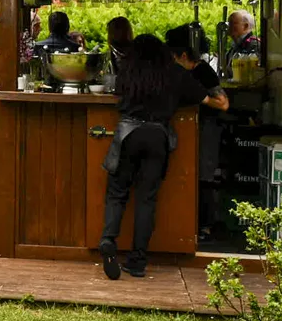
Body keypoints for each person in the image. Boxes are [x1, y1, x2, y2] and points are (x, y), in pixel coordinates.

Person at [98, 33, 229, 280]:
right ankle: (137, 262)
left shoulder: (128, 72)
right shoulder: (175, 74)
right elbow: (211, 101)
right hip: (158, 136)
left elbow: (115, 95)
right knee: (147, 200)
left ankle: (108, 240)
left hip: (128, 135)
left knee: (117, 193)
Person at [167, 23, 228, 244]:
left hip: (208, 128)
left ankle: (207, 227)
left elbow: (223, 104)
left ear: (183, 55)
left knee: (205, 176)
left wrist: (203, 99)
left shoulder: (201, 71)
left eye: (173, 56)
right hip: (195, 128)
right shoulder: (187, 72)